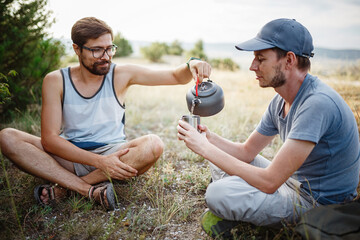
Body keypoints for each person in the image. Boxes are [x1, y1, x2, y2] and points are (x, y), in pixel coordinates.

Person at [0, 17, 211, 210]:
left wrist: (192, 63)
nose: (106, 56)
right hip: (69, 156)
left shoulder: (121, 74)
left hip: (115, 155)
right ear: (77, 49)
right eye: (97, 50)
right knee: (7, 137)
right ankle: (87, 189)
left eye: (110, 48)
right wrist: (99, 162)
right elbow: (50, 141)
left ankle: (67, 188)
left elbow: (175, 77)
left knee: (154, 144)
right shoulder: (56, 80)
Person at [177, 18, 360, 238]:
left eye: (260, 59)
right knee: (221, 159)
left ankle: (243, 209)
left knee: (217, 193)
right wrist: (208, 139)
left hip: (317, 203)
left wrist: (204, 148)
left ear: (289, 60)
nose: (252, 67)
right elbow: (246, 152)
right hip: (292, 182)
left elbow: (270, 181)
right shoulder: (280, 100)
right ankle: (244, 203)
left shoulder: (317, 103)